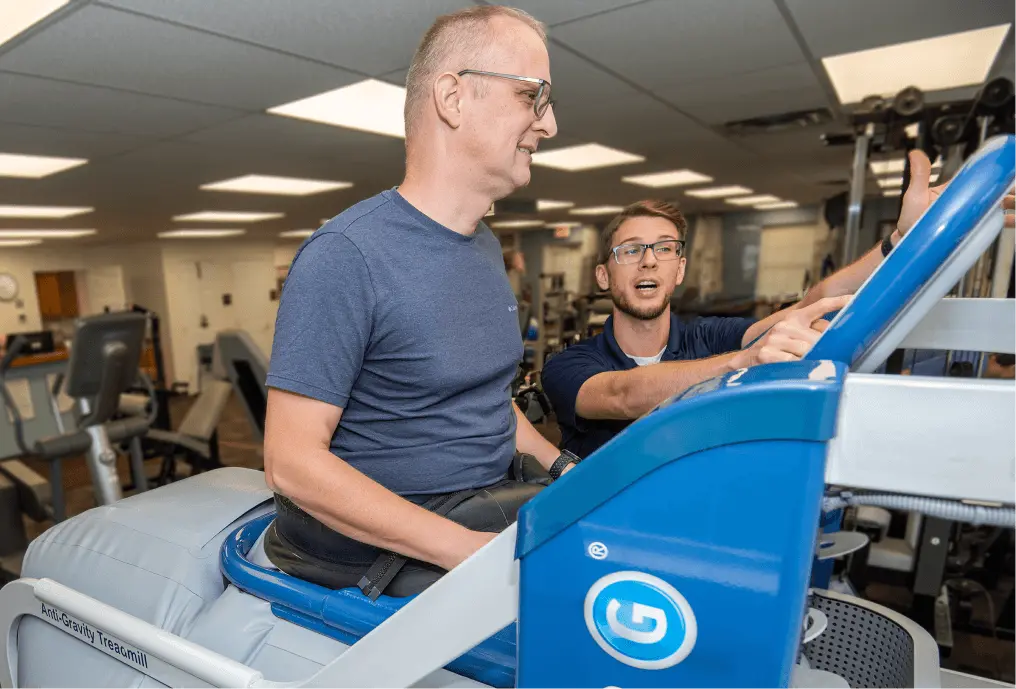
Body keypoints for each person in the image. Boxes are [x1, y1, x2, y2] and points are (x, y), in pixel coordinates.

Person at [262, 6, 570, 595]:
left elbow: (481, 400)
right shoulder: (345, 256)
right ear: (453, 97)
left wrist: (564, 468)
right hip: (398, 536)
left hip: (481, 499)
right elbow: (291, 463)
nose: (549, 124)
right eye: (535, 96)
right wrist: (473, 556)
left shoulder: (482, 246)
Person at [542, 151, 1005, 458]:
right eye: (630, 251)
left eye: (664, 248)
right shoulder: (569, 365)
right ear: (604, 275)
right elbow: (622, 396)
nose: (648, 261)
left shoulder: (707, 338)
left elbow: (815, 303)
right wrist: (742, 362)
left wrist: (901, 244)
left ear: (678, 270)